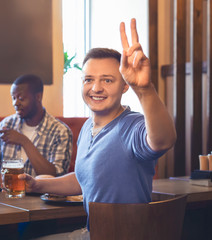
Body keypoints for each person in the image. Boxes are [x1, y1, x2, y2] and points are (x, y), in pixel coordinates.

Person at [20, 18, 177, 239]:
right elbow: (85, 179)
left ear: (124, 86)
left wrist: (145, 89)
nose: (96, 88)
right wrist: (37, 185)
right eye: (89, 79)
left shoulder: (132, 125)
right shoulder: (87, 128)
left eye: (107, 80)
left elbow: (163, 140)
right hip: (93, 233)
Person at [0, 74, 73, 189]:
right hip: (5, 195)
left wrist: (24, 141)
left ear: (38, 97)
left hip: (40, 197)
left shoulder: (60, 131)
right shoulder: (7, 124)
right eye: (13, 98)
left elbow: (56, 176)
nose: (15, 103)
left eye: (21, 98)